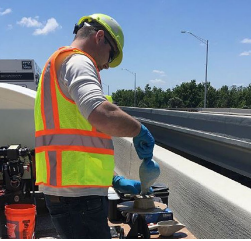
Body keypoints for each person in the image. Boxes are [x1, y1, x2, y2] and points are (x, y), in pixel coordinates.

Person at [34, 13, 155, 239]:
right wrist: (138, 130)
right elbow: (101, 114)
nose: (107, 65)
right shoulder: (79, 62)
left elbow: (75, 143)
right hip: (78, 200)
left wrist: (113, 180)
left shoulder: (58, 65)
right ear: (99, 37)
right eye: (111, 55)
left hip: (70, 194)